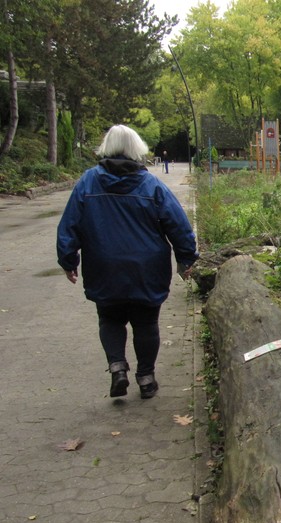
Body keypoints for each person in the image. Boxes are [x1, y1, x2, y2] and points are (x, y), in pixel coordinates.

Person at [57, 125, 198, 400]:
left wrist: (68, 259)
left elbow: (70, 224)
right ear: (137, 150)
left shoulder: (87, 183)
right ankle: (146, 378)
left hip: (103, 266)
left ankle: (118, 368)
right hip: (147, 268)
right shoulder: (152, 186)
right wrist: (186, 258)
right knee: (146, 323)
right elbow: (178, 225)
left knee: (109, 318)